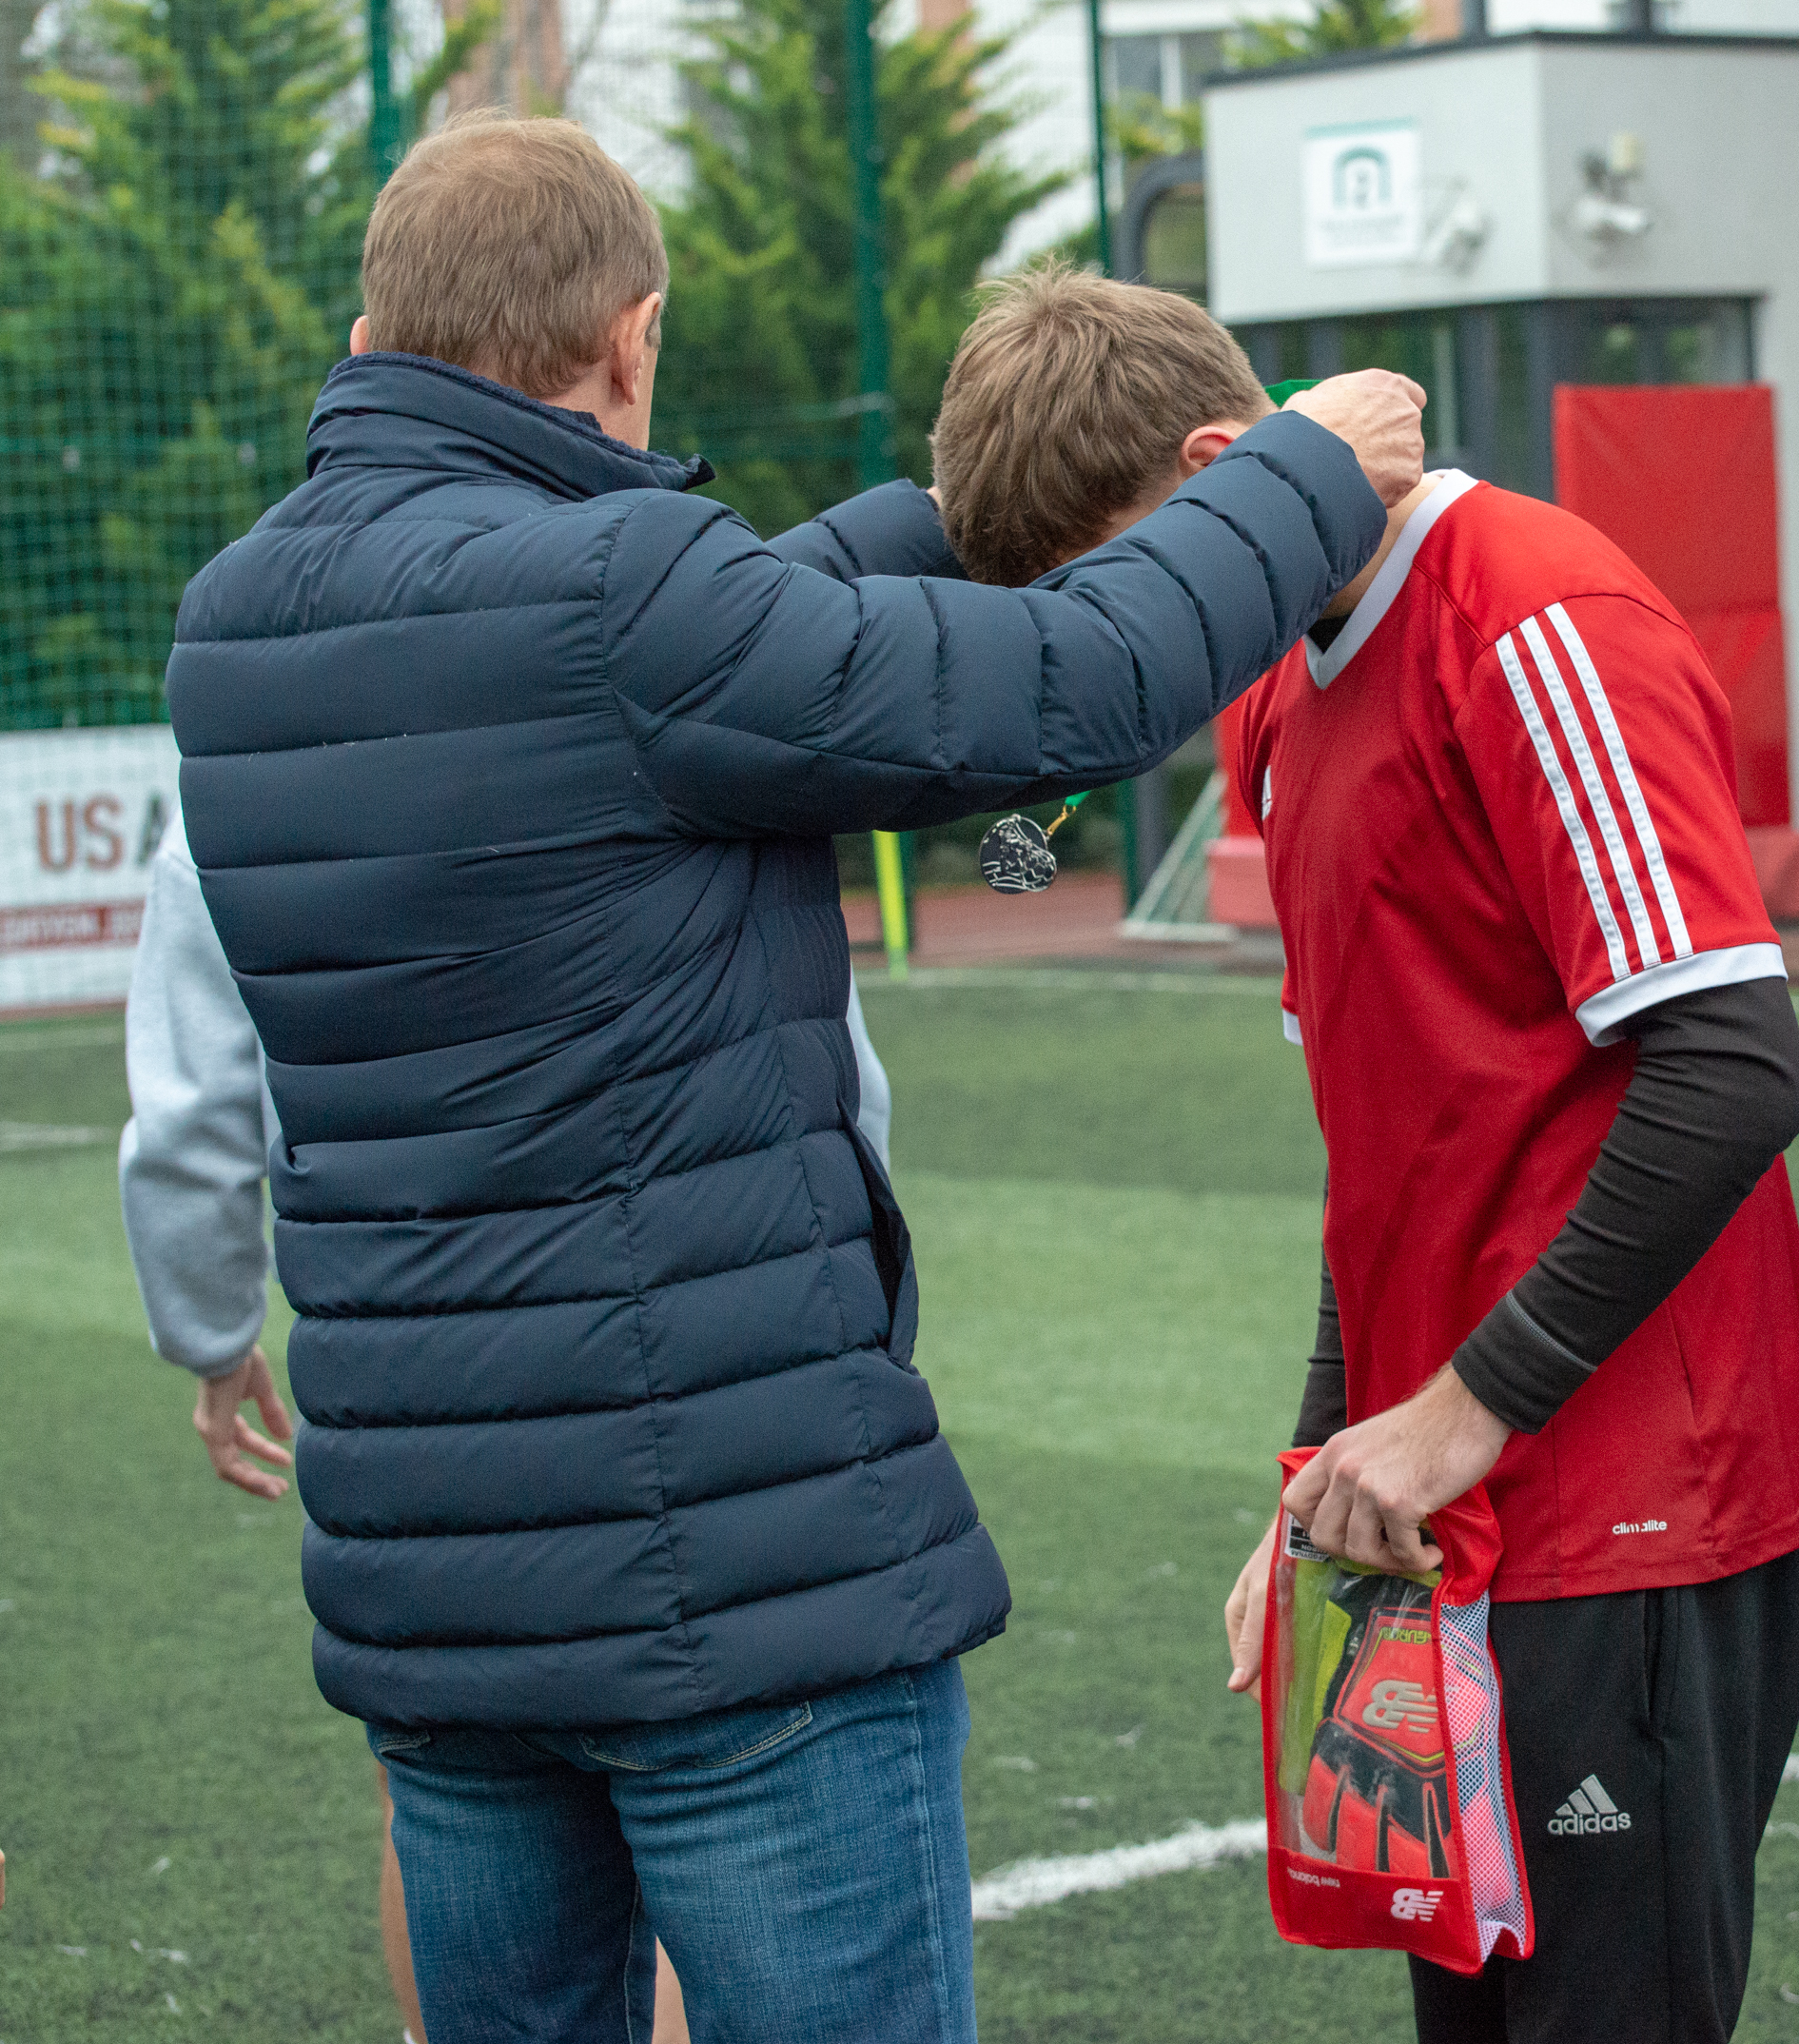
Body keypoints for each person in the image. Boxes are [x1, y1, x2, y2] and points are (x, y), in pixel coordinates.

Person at [164, 109, 1424, 2044]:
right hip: (729, 1583)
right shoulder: (618, 595)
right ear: (632, 338)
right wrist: (1301, 474)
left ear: (370, 339)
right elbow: (1066, 687)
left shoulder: (241, 621)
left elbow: (721, 655)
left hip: (436, 1598)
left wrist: (970, 502)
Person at [929, 264, 1799, 2044]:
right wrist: (1325, 1469)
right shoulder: (1272, 694)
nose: (1130, 640)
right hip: (1442, 1516)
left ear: (1224, 475)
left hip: (1630, 1512)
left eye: (1125, 580)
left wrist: (1459, 1411)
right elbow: (1390, 1155)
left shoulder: (1534, 616)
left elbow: (1731, 1068)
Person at [119, 808, 895, 2041]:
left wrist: (209, 1334)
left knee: (448, 1782)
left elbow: (189, 1119)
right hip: (698, 1364)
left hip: (413, 1398)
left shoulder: (228, 744)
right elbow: (828, 1059)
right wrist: (851, 1311)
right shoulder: (669, 689)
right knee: (708, 1778)